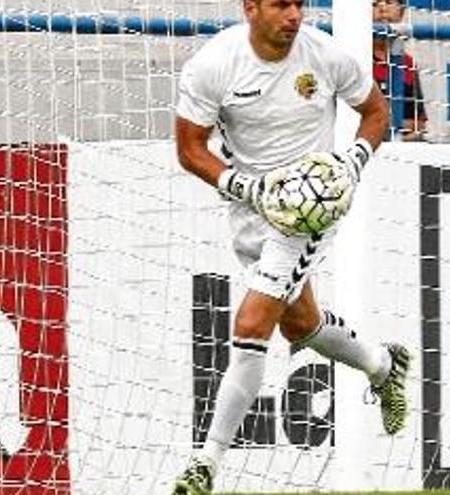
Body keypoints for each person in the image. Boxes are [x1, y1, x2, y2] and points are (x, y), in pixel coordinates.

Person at [171, 1, 409, 493]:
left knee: (251, 323)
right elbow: (190, 149)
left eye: (300, 3)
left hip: (309, 212)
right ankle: (383, 365)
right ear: (250, 7)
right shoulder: (214, 65)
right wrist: (247, 189)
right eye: (281, 4)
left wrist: (352, 162)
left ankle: (206, 465)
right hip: (250, 206)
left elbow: (376, 111)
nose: (295, 14)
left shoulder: (325, 55)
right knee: (299, 324)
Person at [373, 0, 428, 141]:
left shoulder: (407, 63)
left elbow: (418, 123)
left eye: (389, 2)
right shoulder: (351, 59)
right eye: (374, 4)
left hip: (400, 144)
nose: (382, 8)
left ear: (401, 11)